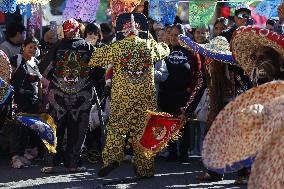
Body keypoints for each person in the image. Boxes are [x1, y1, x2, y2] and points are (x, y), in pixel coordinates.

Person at [89, 13, 170, 178]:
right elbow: (165, 49)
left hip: (122, 97)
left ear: (122, 31)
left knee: (117, 128)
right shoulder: (149, 46)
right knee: (144, 132)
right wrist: (151, 39)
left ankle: (112, 157)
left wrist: (91, 45)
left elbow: (95, 58)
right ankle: (144, 168)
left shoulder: (117, 47)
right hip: (145, 98)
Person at [39, 18, 95, 173]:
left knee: (54, 127)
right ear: (79, 30)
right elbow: (99, 71)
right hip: (82, 95)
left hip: (58, 95)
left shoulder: (58, 46)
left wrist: (57, 80)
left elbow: (44, 68)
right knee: (77, 129)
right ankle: (73, 164)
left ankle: (50, 163)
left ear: (64, 30)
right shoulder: (88, 47)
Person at [9, 37, 43, 168]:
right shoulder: (15, 60)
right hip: (18, 101)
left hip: (33, 103)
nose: (33, 50)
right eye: (30, 47)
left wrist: (40, 100)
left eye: (35, 48)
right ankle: (15, 158)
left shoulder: (36, 62)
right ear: (23, 46)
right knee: (17, 129)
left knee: (27, 131)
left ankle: (22, 156)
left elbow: (39, 83)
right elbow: (8, 78)